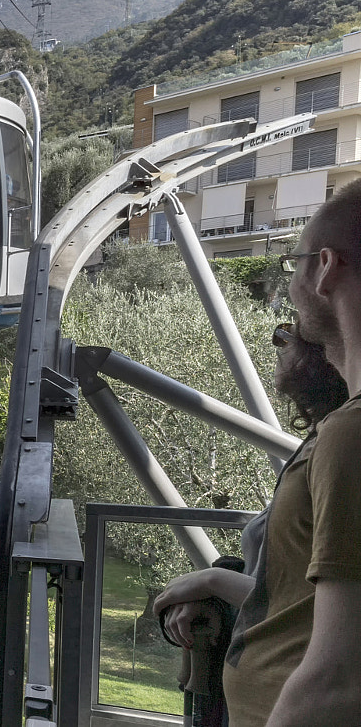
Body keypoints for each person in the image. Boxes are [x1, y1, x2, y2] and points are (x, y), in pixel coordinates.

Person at [155, 182, 361, 727]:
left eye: (294, 264)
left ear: (324, 268)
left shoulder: (352, 434)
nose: (287, 297)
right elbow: (313, 608)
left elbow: (339, 679)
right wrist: (216, 582)